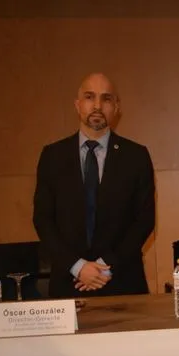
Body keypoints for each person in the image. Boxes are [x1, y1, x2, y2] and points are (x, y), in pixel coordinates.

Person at [33, 73, 155, 297]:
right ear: (77, 105)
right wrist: (78, 267)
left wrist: (104, 267)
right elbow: (43, 219)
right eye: (90, 97)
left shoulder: (136, 156)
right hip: (68, 284)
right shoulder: (53, 156)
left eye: (106, 99)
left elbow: (144, 221)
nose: (97, 105)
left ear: (116, 107)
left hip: (122, 282)